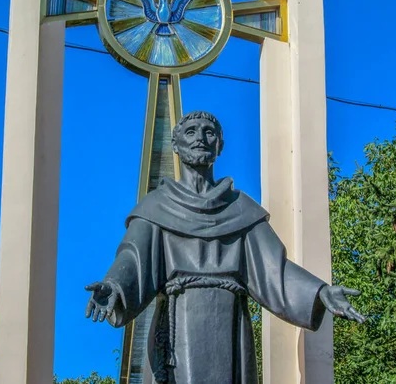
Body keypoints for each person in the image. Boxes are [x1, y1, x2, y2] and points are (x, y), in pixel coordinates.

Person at [85, 111, 365, 384]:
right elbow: (133, 258)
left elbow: (274, 272)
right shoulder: (156, 207)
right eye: (190, 132)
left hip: (230, 326)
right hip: (178, 327)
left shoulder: (241, 209)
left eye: (209, 132)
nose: (200, 138)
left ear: (219, 144)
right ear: (176, 145)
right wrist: (114, 286)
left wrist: (319, 292)